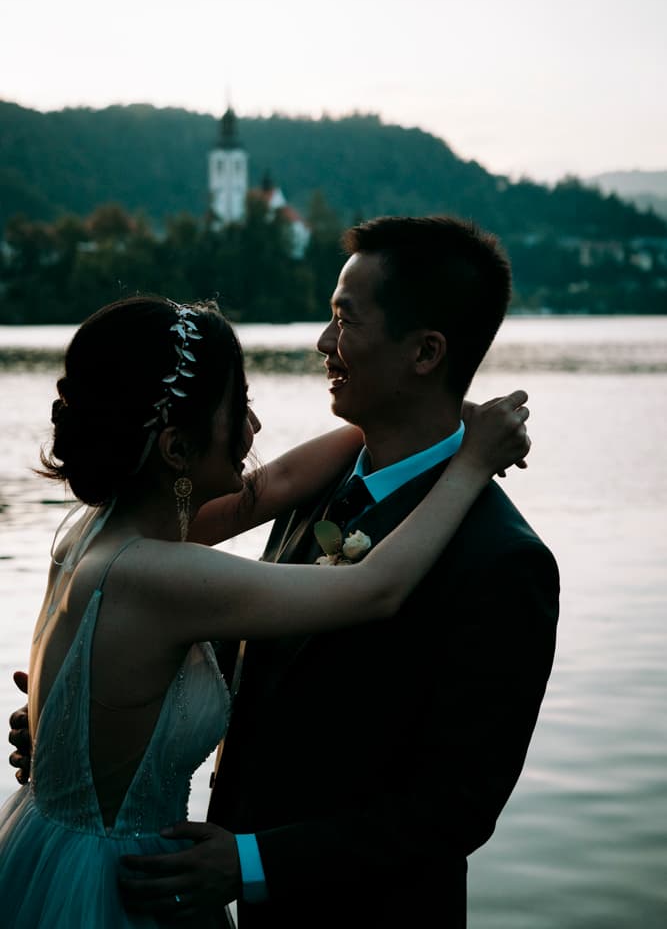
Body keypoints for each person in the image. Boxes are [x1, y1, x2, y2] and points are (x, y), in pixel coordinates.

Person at [2, 291, 530, 928]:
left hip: (53, 849)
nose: (252, 428)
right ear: (176, 449)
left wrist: (442, 416)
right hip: (124, 886)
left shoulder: (93, 533)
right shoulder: (159, 574)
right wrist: (472, 463)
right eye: (238, 409)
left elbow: (275, 485)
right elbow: (376, 587)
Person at [114, 216, 560, 929]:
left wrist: (252, 862)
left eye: (344, 321)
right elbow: (263, 660)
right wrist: (104, 705)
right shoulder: (318, 484)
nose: (323, 343)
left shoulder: (502, 560)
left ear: (425, 352)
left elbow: (457, 807)